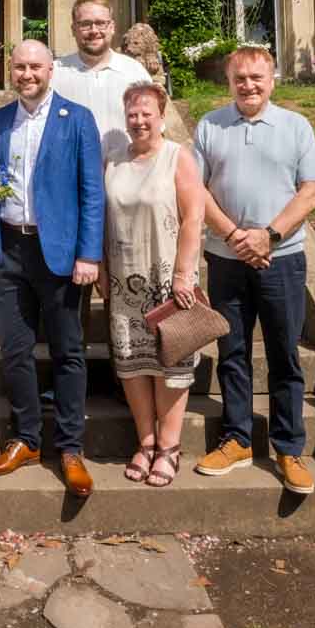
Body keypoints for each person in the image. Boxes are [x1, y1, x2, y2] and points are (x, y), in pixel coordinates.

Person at [191, 46, 315, 495]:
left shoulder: (296, 126)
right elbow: (196, 190)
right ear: (228, 81)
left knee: (285, 354)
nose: (248, 85)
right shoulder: (210, 125)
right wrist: (234, 236)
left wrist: (270, 236)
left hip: (281, 260)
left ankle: (289, 447)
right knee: (232, 352)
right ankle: (238, 439)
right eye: (240, 78)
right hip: (226, 259)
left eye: (256, 78)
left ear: (272, 79)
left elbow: (310, 191)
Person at [0, 40, 105, 499]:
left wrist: (89, 254)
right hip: (11, 248)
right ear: (11, 71)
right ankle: (26, 439)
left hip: (61, 253)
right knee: (15, 350)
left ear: (51, 70)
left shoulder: (78, 118)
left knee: (69, 352)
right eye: (20, 67)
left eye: (35, 66)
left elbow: (92, 192)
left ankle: (70, 447)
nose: (27, 74)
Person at [102, 80, 205, 488]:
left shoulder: (178, 157)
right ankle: (145, 442)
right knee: (132, 364)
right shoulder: (113, 161)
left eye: (147, 113)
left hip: (168, 280)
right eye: (133, 114)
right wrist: (103, 271)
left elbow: (194, 217)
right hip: (124, 280)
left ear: (162, 117)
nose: (139, 120)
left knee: (170, 363)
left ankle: (169, 447)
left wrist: (184, 274)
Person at [51, 0, 151, 163]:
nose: (94, 30)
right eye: (85, 24)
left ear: (112, 27)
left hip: (125, 170)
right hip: (70, 172)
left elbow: (154, 129)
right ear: (73, 29)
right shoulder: (54, 73)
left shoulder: (134, 72)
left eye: (101, 23)